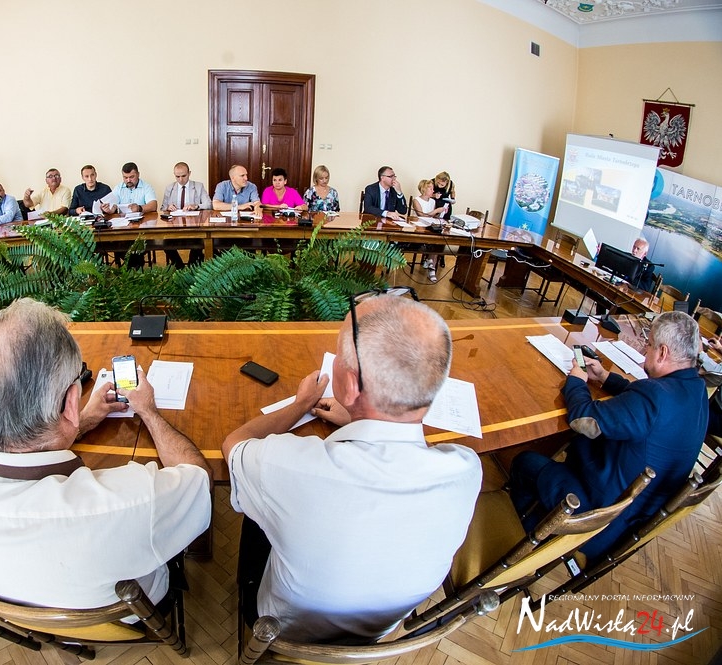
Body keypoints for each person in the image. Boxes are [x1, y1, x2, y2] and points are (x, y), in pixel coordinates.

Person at [222, 293, 481, 642]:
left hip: (284, 630)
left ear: (352, 384)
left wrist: (301, 403)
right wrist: (358, 418)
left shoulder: (288, 467)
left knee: (256, 508)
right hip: (380, 632)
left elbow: (235, 444)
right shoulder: (467, 469)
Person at [0, 298, 212, 610]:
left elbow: (15, 449)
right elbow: (199, 477)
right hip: (133, 610)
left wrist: (80, 421)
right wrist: (149, 412)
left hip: (26, 611)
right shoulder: (136, 498)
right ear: (72, 401)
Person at [509, 311, 707, 560]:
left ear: (663, 353)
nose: (644, 350)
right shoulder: (696, 389)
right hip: (635, 517)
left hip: (598, 518)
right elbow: (640, 402)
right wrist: (604, 377)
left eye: (649, 345)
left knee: (525, 461)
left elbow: (583, 419)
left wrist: (577, 381)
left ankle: (526, 538)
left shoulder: (654, 397)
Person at [161, 162, 212, 268]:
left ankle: (191, 267)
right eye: (177, 176)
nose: (180, 179)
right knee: (165, 244)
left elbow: (209, 204)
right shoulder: (170, 188)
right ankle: (180, 267)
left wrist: (196, 206)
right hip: (175, 226)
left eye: (184, 176)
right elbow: (162, 208)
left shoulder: (198, 186)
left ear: (189, 173)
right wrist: (168, 207)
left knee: (199, 243)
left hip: (194, 226)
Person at [412, 179, 449, 283]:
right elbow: (422, 215)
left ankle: (431, 264)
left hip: (429, 227)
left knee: (438, 239)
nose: (433, 191)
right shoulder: (416, 200)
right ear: (424, 189)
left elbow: (432, 216)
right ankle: (430, 263)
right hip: (418, 227)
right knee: (433, 240)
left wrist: (440, 213)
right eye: (431, 188)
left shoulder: (432, 201)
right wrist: (436, 210)